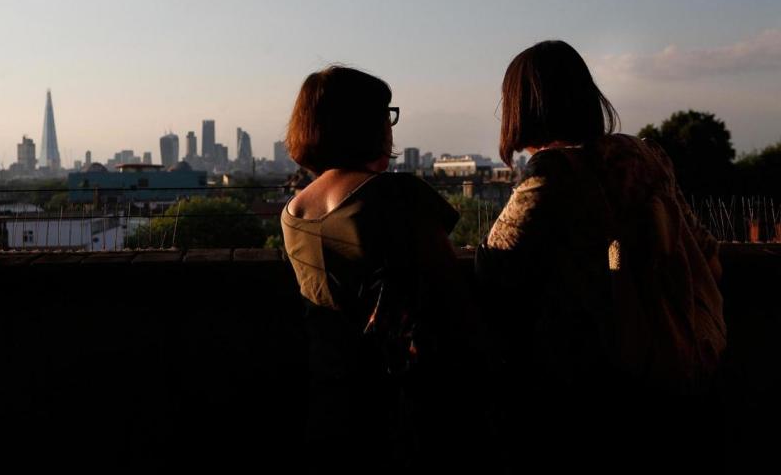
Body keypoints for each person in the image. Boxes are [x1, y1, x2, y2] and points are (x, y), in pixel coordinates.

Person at [476, 40, 727, 474]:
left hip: (587, 391)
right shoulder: (648, 157)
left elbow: (494, 268)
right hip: (674, 370)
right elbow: (706, 252)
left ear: (522, 107)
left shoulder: (552, 174)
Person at [280, 66, 478, 473]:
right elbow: (454, 298)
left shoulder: (293, 210)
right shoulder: (397, 195)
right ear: (366, 124)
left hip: (327, 395)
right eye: (386, 114)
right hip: (400, 403)